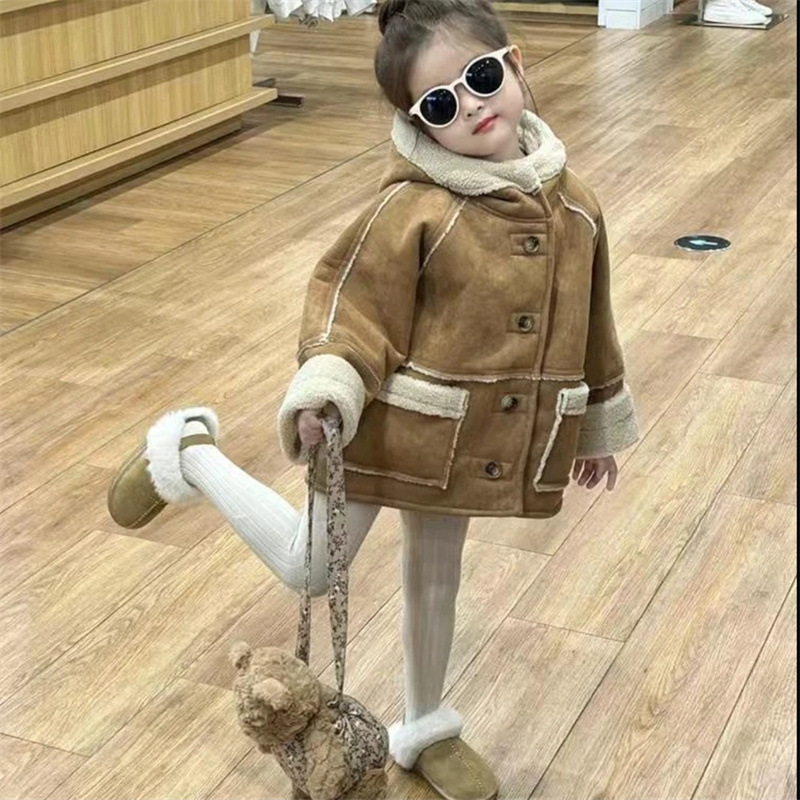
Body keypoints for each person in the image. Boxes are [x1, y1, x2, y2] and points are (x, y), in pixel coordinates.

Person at [108, 1, 639, 797]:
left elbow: (592, 323)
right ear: (419, 123)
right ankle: (189, 453)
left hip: (461, 442)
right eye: (441, 104)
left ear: (517, 64)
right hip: (380, 426)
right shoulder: (412, 209)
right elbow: (348, 309)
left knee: (437, 577)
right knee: (307, 568)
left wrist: (595, 426)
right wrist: (326, 389)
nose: (473, 105)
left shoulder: (576, 208)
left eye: (482, 76)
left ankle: (426, 727)